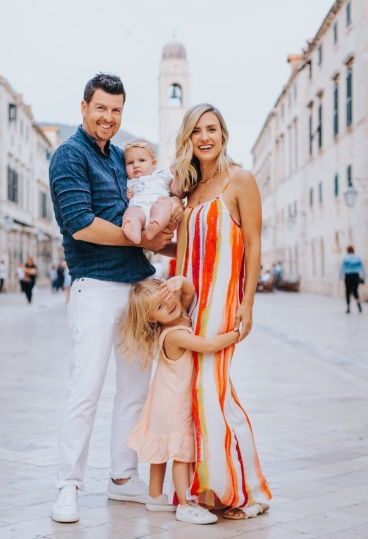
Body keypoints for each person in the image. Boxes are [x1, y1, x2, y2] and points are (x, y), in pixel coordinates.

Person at [49, 73, 183, 523]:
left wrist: (175, 245)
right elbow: (81, 224)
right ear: (84, 107)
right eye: (101, 108)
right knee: (84, 389)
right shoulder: (68, 155)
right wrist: (142, 237)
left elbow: (145, 225)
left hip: (137, 289)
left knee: (133, 392)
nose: (108, 118)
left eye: (116, 110)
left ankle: (123, 479)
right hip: (95, 288)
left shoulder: (120, 159)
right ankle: (68, 485)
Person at [167, 103, 272, 520]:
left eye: (211, 129)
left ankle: (235, 490)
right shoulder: (190, 188)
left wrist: (247, 303)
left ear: (223, 133)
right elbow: (181, 252)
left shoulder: (240, 179)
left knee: (211, 389)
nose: (204, 137)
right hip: (190, 306)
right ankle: (225, 486)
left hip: (224, 301)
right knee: (204, 392)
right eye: (196, 131)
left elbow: (254, 244)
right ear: (188, 139)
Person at [121, 275, 240, 525]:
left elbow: (188, 291)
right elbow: (208, 345)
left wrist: (178, 282)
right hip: (175, 402)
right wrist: (237, 334)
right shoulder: (173, 334)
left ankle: (155, 497)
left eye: (168, 298)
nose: (171, 305)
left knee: (162, 450)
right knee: (180, 453)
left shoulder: (179, 314)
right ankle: (185, 505)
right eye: (161, 307)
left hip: (163, 399)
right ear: (153, 318)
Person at [122, 140, 182, 244]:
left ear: (153, 163)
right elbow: (124, 195)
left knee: (163, 205)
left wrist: (177, 175)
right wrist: (127, 193)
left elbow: (177, 190)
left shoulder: (162, 174)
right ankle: (133, 230)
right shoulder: (129, 182)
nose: (135, 165)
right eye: (130, 162)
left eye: (141, 160)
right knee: (131, 213)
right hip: (139, 208)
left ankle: (155, 224)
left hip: (158, 205)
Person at [340, 246, 366, 313]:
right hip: (355, 276)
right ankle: (359, 305)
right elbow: (362, 268)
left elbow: (342, 269)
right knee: (355, 291)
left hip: (348, 277)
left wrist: (340, 277)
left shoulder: (346, 259)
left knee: (348, 292)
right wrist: (363, 277)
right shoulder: (357, 258)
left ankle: (348, 308)